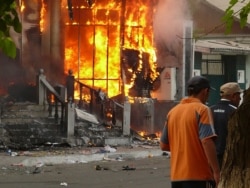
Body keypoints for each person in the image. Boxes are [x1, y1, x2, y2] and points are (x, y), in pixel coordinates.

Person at [160, 75, 220, 188]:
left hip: (176, 176)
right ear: (205, 91)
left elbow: (163, 145)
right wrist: (216, 171)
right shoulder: (202, 109)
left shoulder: (172, 112)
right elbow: (207, 141)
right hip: (198, 176)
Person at [210, 82, 242, 169]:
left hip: (211, 157)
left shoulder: (209, 110)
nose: (240, 98)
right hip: (230, 159)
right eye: (239, 95)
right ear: (233, 96)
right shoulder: (236, 112)